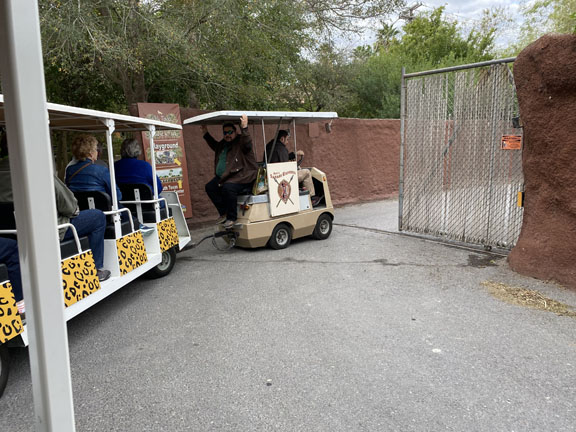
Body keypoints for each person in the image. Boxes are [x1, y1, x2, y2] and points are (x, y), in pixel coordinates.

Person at [65, 134, 153, 235]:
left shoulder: (70, 170)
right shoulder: (101, 170)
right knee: (115, 203)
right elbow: (117, 195)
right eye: (96, 149)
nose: (97, 152)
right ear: (90, 153)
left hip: (81, 212)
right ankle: (137, 226)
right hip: (105, 214)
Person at [201, 114, 258, 228]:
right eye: (225, 133)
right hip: (227, 176)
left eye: (230, 132)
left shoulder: (241, 141)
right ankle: (224, 213)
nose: (227, 135)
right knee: (210, 187)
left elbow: (247, 143)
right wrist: (205, 133)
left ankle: (232, 218)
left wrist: (244, 128)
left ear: (235, 132)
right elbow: (214, 145)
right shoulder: (223, 144)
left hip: (242, 176)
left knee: (228, 188)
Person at [265, 129, 318, 204]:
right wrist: (292, 163)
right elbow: (285, 166)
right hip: (283, 177)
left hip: (272, 175)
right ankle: (311, 197)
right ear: (282, 139)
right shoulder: (281, 148)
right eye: (287, 139)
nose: (287, 142)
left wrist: (294, 154)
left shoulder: (270, 146)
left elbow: (280, 158)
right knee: (307, 172)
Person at [114, 138, 165, 208]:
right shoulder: (144, 166)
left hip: (123, 204)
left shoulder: (115, 166)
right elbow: (158, 188)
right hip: (147, 204)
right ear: (137, 150)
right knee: (163, 201)